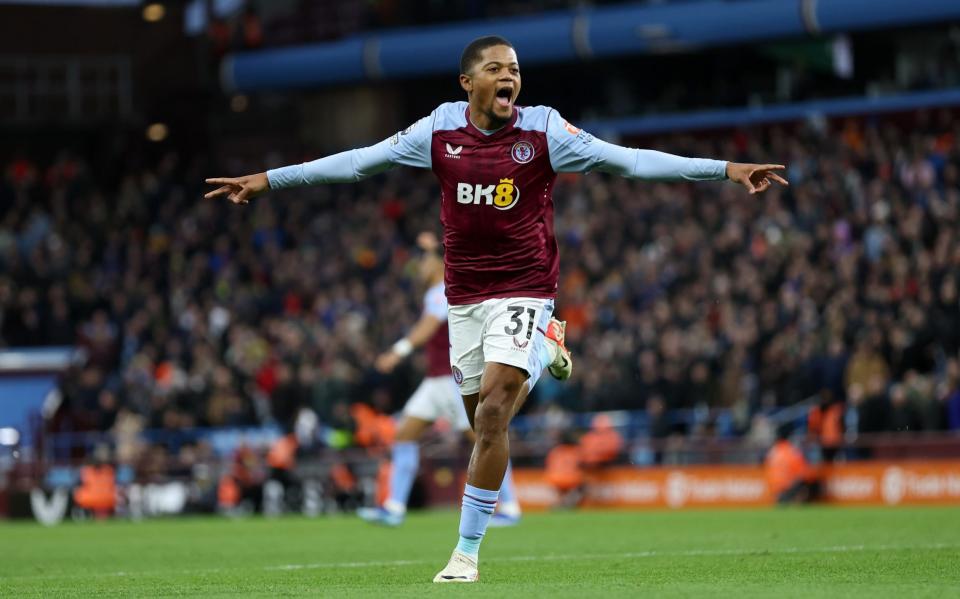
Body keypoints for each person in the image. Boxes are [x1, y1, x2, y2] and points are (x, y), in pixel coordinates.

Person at [205, 35, 787, 583]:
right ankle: (543, 348)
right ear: (467, 82)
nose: (509, 76)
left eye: (514, 69)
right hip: (465, 299)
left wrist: (725, 171)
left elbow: (628, 160)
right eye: (496, 69)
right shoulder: (437, 131)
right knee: (483, 420)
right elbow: (359, 161)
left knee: (491, 415)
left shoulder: (544, 130)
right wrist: (268, 180)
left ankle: (465, 553)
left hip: (526, 287)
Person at [357, 231, 522, 527]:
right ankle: (394, 507)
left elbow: (428, 325)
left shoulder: (444, 289)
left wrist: (399, 351)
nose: (419, 268)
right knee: (404, 434)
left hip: (454, 380)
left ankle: (509, 506)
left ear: (436, 263)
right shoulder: (438, 289)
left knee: (487, 436)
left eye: (423, 261)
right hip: (436, 381)